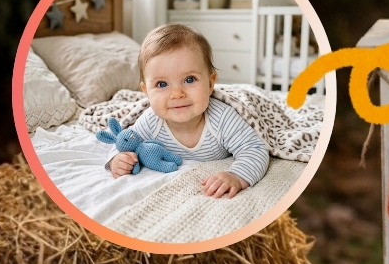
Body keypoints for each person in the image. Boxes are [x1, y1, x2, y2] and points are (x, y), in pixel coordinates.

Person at [107, 23, 269, 198]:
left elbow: (254, 149)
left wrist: (236, 176)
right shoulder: (151, 121)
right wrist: (118, 159)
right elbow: (125, 141)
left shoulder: (222, 118)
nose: (177, 94)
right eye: (162, 84)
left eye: (189, 79)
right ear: (146, 92)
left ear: (210, 83)